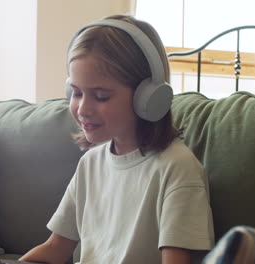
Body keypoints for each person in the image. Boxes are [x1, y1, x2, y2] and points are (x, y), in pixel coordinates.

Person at [19, 14, 215, 264]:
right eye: (76, 93)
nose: (83, 109)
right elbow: (56, 247)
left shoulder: (177, 169)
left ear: (148, 97)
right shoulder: (90, 164)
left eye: (101, 96)